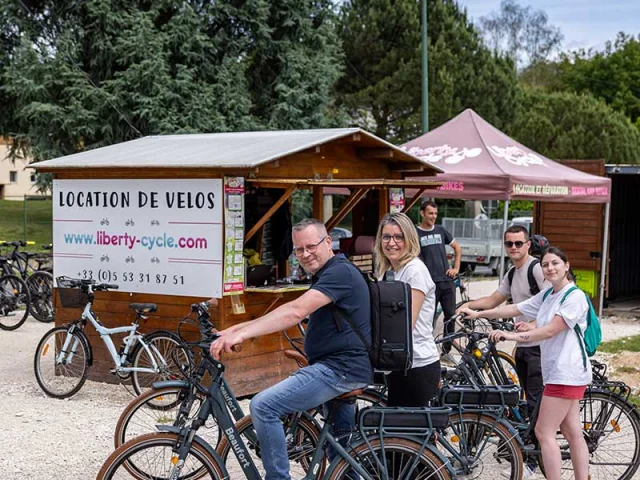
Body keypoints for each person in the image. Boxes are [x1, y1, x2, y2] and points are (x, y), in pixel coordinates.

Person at [210, 218, 373, 480]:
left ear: (328, 242)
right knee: (340, 457)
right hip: (339, 367)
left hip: (339, 370)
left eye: (311, 246)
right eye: (299, 249)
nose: (305, 254)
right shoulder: (330, 273)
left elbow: (295, 311)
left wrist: (243, 332)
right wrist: (235, 329)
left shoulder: (339, 273)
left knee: (263, 406)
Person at [460, 247, 591, 480]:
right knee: (572, 432)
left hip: (565, 372)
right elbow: (516, 308)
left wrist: (510, 337)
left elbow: (550, 331)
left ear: (567, 266)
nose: (550, 268)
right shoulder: (549, 294)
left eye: (555, 263)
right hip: (560, 372)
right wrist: (479, 313)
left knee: (543, 431)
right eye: (545, 265)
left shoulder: (575, 297)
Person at [457, 225, 548, 418]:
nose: (514, 247)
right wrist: (467, 306)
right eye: (509, 243)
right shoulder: (513, 273)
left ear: (528, 245)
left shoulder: (537, 269)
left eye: (518, 243)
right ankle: (527, 442)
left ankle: (538, 443)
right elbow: (493, 300)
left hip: (541, 344)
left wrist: (533, 324)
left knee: (536, 400)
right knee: (526, 397)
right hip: (523, 342)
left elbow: (552, 302)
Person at [374, 212, 440, 406]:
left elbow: (405, 325)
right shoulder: (388, 271)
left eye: (398, 237)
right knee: (396, 432)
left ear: (409, 239)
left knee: (407, 434)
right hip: (399, 363)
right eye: (386, 237)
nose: (391, 243)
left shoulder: (414, 271)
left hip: (418, 364)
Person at [416, 200, 461, 363]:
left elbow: (457, 247)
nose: (433, 217)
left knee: (450, 316)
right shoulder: (416, 233)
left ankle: (446, 351)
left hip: (447, 281)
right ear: (422, 213)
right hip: (429, 283)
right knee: (428, 317)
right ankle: (427, 351)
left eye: (435, 213)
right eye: (430, 213)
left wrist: (455, 268)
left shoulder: (441, 230)